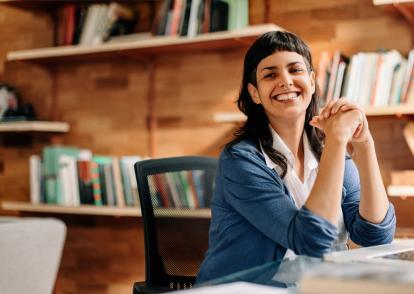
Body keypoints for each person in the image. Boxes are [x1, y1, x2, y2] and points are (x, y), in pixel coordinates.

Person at [196, 30, 396, 283]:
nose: (286, 81)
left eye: (295, 70)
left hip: (319, 286)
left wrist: (364, 143)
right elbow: (310, 240)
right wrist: (337, 139)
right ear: (255, 93)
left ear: (312, 81)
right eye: (270, 74)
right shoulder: (240, 160)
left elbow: (375, 237)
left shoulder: (329, 151)